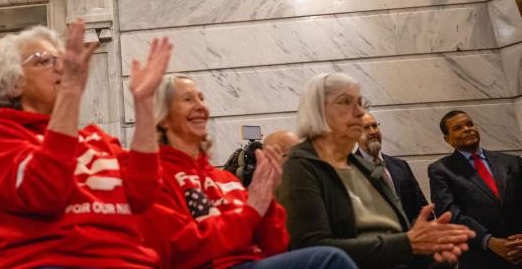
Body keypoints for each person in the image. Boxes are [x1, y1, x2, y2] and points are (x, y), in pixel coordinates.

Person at [0, 20, 172, 269]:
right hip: (45, 260)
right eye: (45, 60)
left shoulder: (95, 138)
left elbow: (142, 195)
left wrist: (144, 103)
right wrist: (72, 89)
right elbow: (44, 195)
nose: (60, 68)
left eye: (61, 60)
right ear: (13, 83)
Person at [145, 74, 358, 269]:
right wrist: (252, 211)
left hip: (254, 263)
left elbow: (277, 248)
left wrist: (267, 203)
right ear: (163, 117)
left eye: (202, 98)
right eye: (188, 99)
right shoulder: (153, 179)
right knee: (330, 260)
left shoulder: (225, 179)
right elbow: (180, 250)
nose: (201, 106)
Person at [277, 72, 473, 269]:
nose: (360, 112)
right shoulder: (300, 166)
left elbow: (401, 236)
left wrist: (431, 246)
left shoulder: (366, 167)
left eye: (361, 104)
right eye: (346, 102)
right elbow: (314, 250)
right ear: (318, 111)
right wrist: (409, 244)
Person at [428, 110, 522, 268]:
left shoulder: (512, 162)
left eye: (470, 124)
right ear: (447, 139)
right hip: (480, 257)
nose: (467, 129)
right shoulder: (441, 170)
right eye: (458, 128)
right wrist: (489, 241)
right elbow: (449, 213)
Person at [354, 113, 428, 224]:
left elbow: (421, 206)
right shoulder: (348, 169)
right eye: (366, 128)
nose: (373, 131)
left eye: (375, 126)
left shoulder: (401, 165)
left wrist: (412, 233)